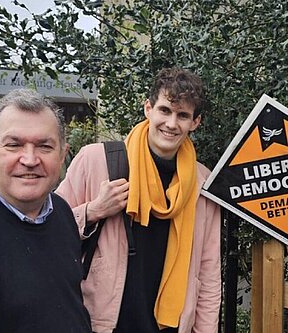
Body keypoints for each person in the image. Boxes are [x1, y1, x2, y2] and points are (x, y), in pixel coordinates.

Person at [56, 67, 221, 333]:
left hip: (169, 325)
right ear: (148, 108)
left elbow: (209, 271)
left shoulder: (202, 184)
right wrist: (93, 211)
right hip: (103, 324)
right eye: (165, 110)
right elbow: (49, 231)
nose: (171, 123)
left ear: (195, 122)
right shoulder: (96, 160)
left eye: (183, 116)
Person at [0, 89, 91, 332]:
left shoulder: (62, 212)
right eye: (14, 145)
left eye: (44, 146)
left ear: (63, 155)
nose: (30, 159)